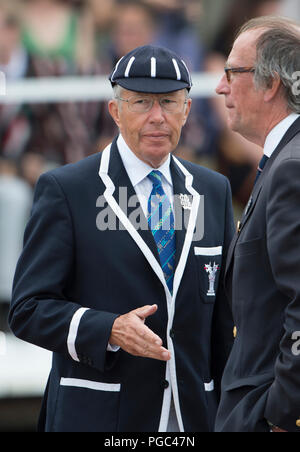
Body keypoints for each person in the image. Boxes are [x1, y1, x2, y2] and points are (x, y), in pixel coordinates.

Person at [9, 45, 234, 432]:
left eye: (168, 102)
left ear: (187, 110)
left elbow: (225, 320)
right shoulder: (68, 190)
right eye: (141, 103)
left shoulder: (213, 190)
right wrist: (107, 328)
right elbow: (27, 309)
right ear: (115, 112)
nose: (157, 117)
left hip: (195, 417)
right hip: (101, 416)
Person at [215, 16, 300, 432]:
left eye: (233, 72)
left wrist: (283, 415)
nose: (220, 86)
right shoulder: (285, 161)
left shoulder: (292, 168)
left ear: (271, 85)